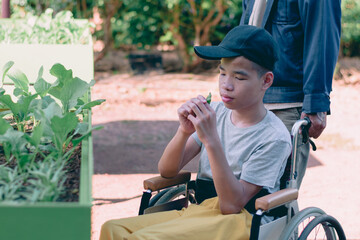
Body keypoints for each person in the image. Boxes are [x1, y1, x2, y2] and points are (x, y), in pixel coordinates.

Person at [99, 25, 292, 240]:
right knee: (113, 229)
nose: (226, 85)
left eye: (239, 77)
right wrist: (183, 131)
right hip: (203, 209)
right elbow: (167, 171)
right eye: (222, 73)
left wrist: (211, 140)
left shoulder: (274, 137)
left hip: (241, 219)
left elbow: (231, 205)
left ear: (266, 81)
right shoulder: (215, 113)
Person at [240, 0, 342, 188]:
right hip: (247, 101)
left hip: (285, 104)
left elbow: (322, 36)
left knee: (275, 199)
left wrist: (316, 104)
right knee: (241, 193)